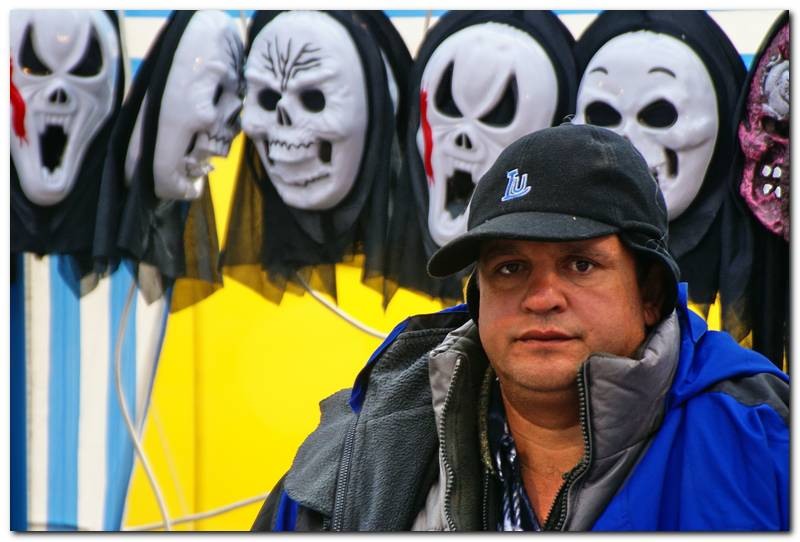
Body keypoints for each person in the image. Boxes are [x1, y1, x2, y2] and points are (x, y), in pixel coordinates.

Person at [251, 124, 789, 531]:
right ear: (478, 296)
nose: (541, 297)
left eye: (580, 264)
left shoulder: (765, 442)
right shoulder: (358, 450)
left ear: (650, 293)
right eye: (510, 268)